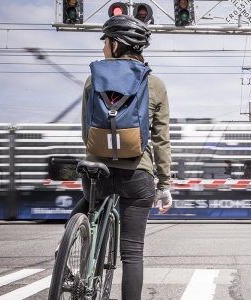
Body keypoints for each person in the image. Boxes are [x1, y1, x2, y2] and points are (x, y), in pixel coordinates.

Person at [68, 14, 172, 300]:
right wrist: (164, 184)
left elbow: (85, 130)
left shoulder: (93, 79)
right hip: (137, 176)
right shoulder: (156, 84)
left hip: (96, 173)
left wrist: (97, 155)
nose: (103, 48)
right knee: (132, 252)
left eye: (105, 42)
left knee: (89, 203)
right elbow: (161, 138)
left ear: (116, 44)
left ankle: (69, 245)